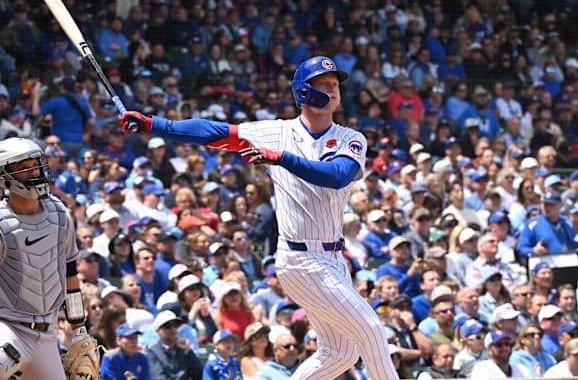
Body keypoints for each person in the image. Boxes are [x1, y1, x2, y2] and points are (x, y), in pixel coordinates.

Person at [120, 56, 399, 379]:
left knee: (340, 352)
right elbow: (212, 131)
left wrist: (281, 159)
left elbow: (336, 175)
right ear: (304, 93)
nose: (334, 90)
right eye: (324, 84)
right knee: (371, 331)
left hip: (333, 258)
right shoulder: (275, 132)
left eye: (336, 84)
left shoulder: (351, 138)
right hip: (299, 258)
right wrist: (154, 124)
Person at [0, 138, 96, 380]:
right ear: (5, 175)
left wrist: (79, 329)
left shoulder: (59, 213)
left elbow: (71, 274)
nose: (34, 172)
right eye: (24, 167)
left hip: (47, 337)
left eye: (37, 165)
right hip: (9, 329)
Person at [147, 310, 203, 380]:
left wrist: (189, 351)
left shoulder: (184, 350)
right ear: (158, 331)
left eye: (175, 325)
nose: (173, 329)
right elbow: (159, 377)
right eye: (167, 326)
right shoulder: (152, 352)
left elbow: (199, 374)